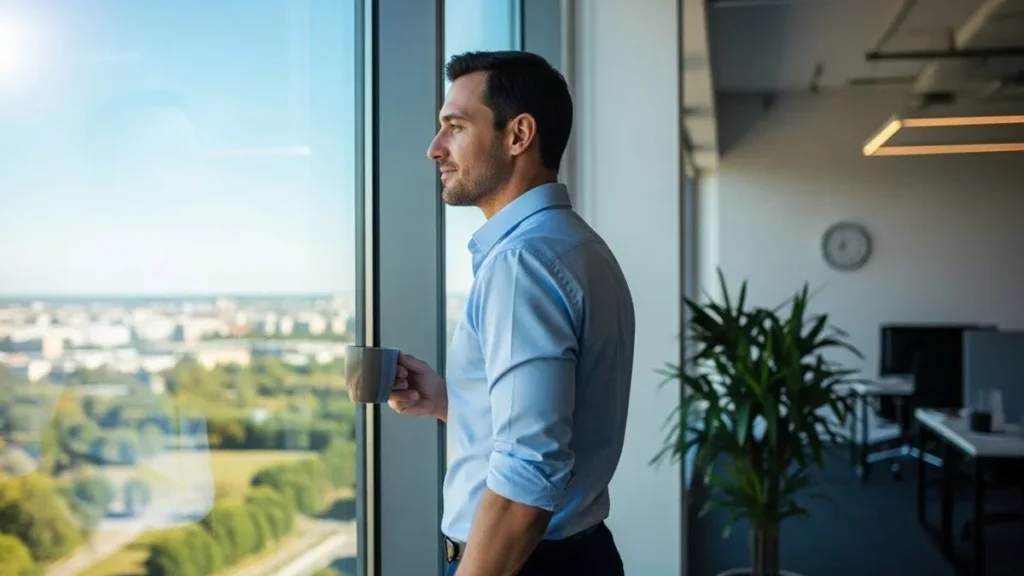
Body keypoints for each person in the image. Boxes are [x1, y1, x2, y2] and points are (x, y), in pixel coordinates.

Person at [388, 50, 635, 576]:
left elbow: (529, 474)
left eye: (455, 126)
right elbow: (559, 423)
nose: (434, 148)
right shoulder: (575, 245)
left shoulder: (522, 262)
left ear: (519, 135)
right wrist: (454, 402)